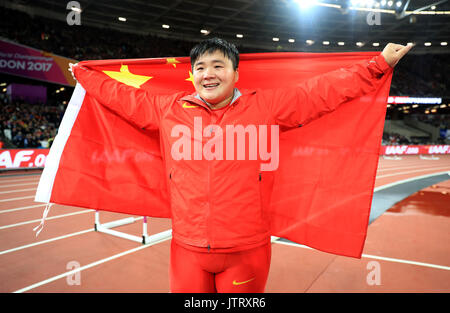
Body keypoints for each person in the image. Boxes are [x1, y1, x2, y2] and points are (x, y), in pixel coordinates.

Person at [69, 38, 412, 293]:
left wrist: (377, 65)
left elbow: (320, 92)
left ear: (235, 73)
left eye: (218, 66)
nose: (208, 74)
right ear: (191, 75)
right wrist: (84, 76)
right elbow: (123, 98)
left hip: (246, 251)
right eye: (200, 67)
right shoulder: (168, 109)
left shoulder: (266, 107)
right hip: (187, 249)